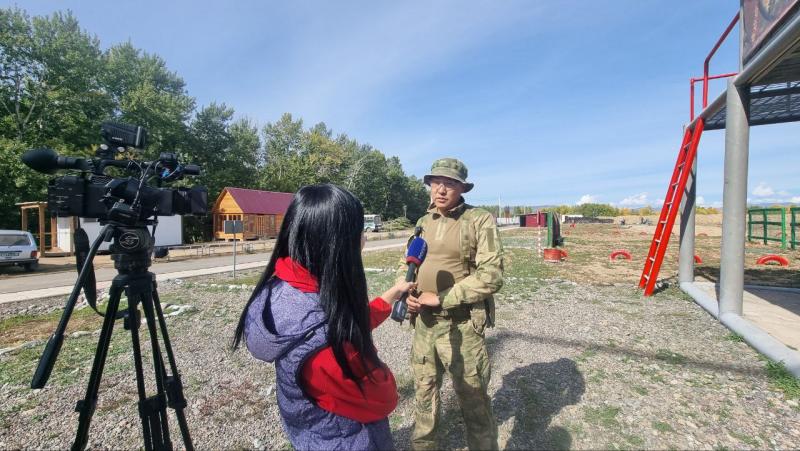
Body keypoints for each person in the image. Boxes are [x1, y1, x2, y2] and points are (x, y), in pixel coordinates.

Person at [233, 184, 415, 450]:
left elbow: (339, 321)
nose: (363, 237)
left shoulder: (281, 287)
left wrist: (390, 296)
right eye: (358, 231)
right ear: (337, 243)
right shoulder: (326, 347)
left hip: (313, 433)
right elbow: (382, 397)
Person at [398, 157, 504, 450]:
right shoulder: (422, 222)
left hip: (462, 325)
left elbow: (491, 275)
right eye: (437, 183)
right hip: (424, 326)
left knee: (475, 404)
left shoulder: (479, 220)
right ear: (430, 185)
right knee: (424, 398)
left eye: (450, 184)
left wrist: (443, 298)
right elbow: (407, 265)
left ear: (462, 188)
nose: (442, 190)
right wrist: (407, 293)